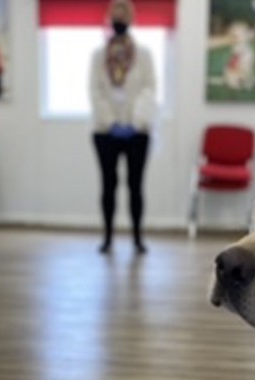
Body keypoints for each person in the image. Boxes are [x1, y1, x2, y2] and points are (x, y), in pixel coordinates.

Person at [90, 0, 157, 255]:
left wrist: (135, 122)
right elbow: (95, 90)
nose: (119, 19)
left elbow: (150, 89)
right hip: (105, 133)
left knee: (136, 186)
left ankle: (138, 239)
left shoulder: (144, 55)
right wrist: (111, 122)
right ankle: (107, 238)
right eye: (115, 15)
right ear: (109, 18)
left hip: (137, 132)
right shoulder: (99, 56)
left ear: (131, 18)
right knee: (108, 185)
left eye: (123, 15)